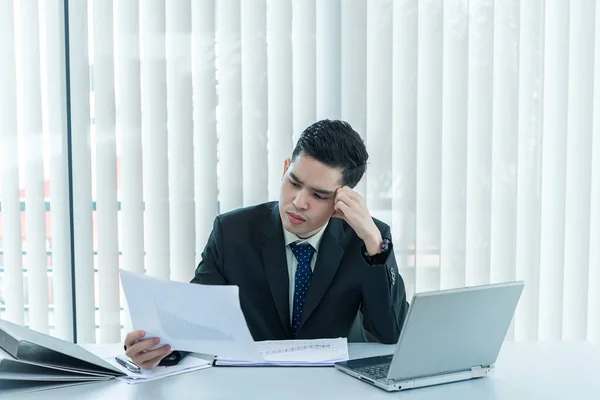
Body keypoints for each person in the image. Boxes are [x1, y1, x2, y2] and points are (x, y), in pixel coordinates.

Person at [124, 119, 409, 369]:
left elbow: (391, 334)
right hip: (253, 384)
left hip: (334, 386)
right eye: (294, 183)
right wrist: (154, 349)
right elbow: (195, 317)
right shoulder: (232, 232)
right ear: (285, 168)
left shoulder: (366, 239)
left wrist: (374, 244)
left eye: (319, 195)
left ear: (342, 200)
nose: (298, 202)